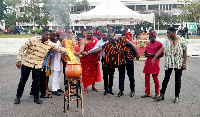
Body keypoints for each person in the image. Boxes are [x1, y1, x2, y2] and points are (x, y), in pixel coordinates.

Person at [14, 29, 71, 104]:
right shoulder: (32, 40)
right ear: (42, 34)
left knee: (36, 82)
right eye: (46, 35)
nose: (48, 36)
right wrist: (18, 60)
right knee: (23, 80)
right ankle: (18, 97)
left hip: (38, 65)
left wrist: (71, 52)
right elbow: (22, 49)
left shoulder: (49, 44)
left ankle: (36, 97)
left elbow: (60, 49)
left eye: (48, 35)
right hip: (27, 63)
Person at [82, 30, 140, 97]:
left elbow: (131, 44)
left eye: (110, 37)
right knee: (121, 76)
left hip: (128, 59)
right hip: (120, 61)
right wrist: (87, 53)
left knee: (131, 76)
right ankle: (121, 91)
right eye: (108, 38)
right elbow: (98, 49)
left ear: (114, 35)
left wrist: (137, 54)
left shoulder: (122, 39)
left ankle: (132, 90)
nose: (109, 39)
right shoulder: (108, 44)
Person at [152, 27, 188, 103]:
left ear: (173, 32)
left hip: (178, 63)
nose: (167, 34)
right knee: (166, 79)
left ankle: (176, 96)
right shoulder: (166, 41)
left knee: (177, 80)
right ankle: (161, 95)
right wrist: (155, 57)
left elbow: (185, 52)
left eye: (168, 32)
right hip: (169, 63)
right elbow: (161, 49)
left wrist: (184, 63)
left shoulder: (182, 40)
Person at [89, 30, 115, 95]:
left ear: (107, 35)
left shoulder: (111, 41)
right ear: (101, 36)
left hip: (112, 59)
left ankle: (110, 89)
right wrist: (88, 53)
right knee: (105, 75)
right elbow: (95, 48)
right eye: (102, 35)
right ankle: (106, 89)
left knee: (111, 75)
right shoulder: (99, 42)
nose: (104, 36)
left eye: (105, 35)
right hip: (104, 59)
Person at [141, 30, 163, 99]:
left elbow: (161, 54)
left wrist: (153, 55)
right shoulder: (148, 44)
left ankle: (157, 93)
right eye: (149, 37)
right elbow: (145, 53)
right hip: (147, 63)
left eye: (151, 37)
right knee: (146, 79)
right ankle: (148, 93)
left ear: (155, 36)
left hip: (155, 63)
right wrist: (146, 54)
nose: (150, 38)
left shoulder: (159, 44)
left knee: (155, 79)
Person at [79, 29, 101, 93]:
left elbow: (98, 49)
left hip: (94, 60)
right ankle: (85, 87)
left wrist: (98, 56)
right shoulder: (83, 41)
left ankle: (93, 86)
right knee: (85, 74)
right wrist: (81, 52)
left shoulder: (96, 40)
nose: (90, 35)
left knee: (94, 73)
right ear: (86, 34)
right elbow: (81, 50)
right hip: (86, 60)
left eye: (91, 33)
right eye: (89, 33)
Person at [61, 28, 75, 94]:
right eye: (68, 33)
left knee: (71, 74)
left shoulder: (72, 40)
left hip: (72, 60)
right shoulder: (64, 41)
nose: (70, 34)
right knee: (66, 74)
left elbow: (73, 49)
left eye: (71, 32)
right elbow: (65, 51)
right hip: (66, 60)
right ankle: (66, 89)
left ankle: (70, 88)